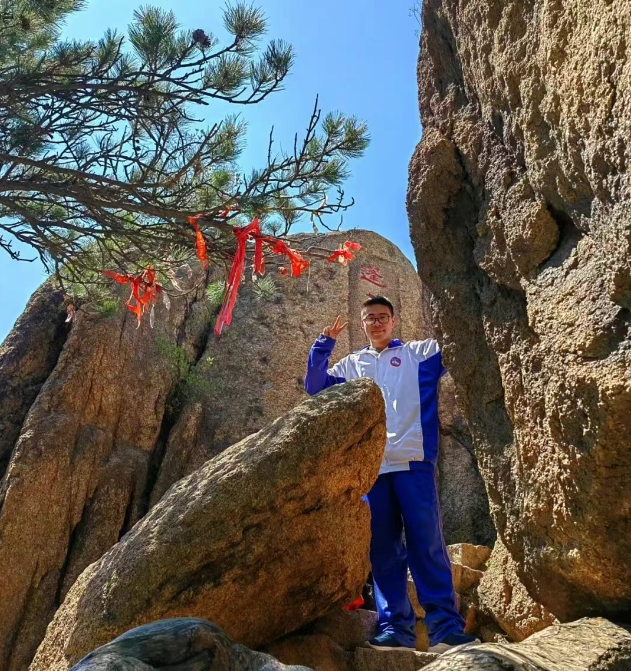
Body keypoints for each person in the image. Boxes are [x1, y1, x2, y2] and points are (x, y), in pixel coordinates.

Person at [304, 296, 479, 654]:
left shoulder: (419, 354)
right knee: (383, 550)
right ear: (363, 324)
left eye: (383, 316)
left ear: (394, 321)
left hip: (414, 462)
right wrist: (324, 344)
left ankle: (446, 629)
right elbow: (315, 385)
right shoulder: (352, 364)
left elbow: (456, 341)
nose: (378, 322)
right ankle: (395, 630)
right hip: (373, 469)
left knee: (426, 544)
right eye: (371, 318)